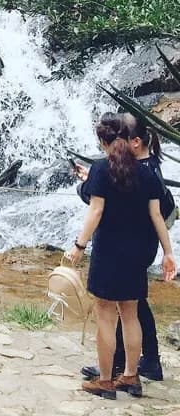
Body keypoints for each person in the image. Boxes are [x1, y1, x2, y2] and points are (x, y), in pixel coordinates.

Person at [66, 112, 176, 399]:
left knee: (106, 314)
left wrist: (78, 246)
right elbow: (156, 215)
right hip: (138, 252)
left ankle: (104, 381)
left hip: (109, 252)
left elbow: (97, 210)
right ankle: (130, 375)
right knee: (130, 314)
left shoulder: (103, 170)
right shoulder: (147, 172)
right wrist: (168, 252)